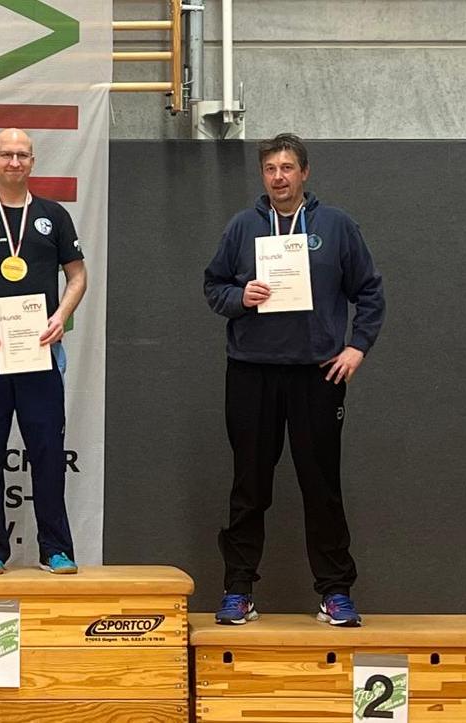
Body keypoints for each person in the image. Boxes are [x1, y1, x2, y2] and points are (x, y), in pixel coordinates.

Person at [204, 133, 385, 627]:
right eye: (270, 169)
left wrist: (357, 346)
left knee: (321, 486)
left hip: (316, 374)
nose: (279, 177)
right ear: (262, 175)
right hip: (251, 372)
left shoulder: (336, 225)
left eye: (287, 167)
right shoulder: (242, 226)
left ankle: (335, 592)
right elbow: (213, 286)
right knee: (249, 486)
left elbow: (370, 291)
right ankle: (238, 590)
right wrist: (240, 297)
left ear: (304, 172)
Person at [0, 128, 88, 575]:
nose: (14, 162)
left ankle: (55, 548)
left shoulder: (53, 217)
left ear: (32, 162)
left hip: (39, 351)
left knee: (47, 450)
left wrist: (60, 316)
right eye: (6, 154)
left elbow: (78, 275)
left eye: (22, 155)